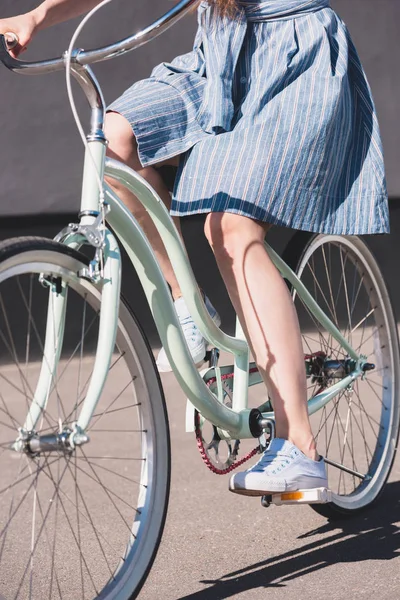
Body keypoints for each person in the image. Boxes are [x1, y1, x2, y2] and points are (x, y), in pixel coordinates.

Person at [0, 0, 388, 497]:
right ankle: (188, 309)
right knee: (113, 143)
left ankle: (300, 447)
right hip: (219, 54)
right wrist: (36, 17)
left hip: (293, 52)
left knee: (230, 229)